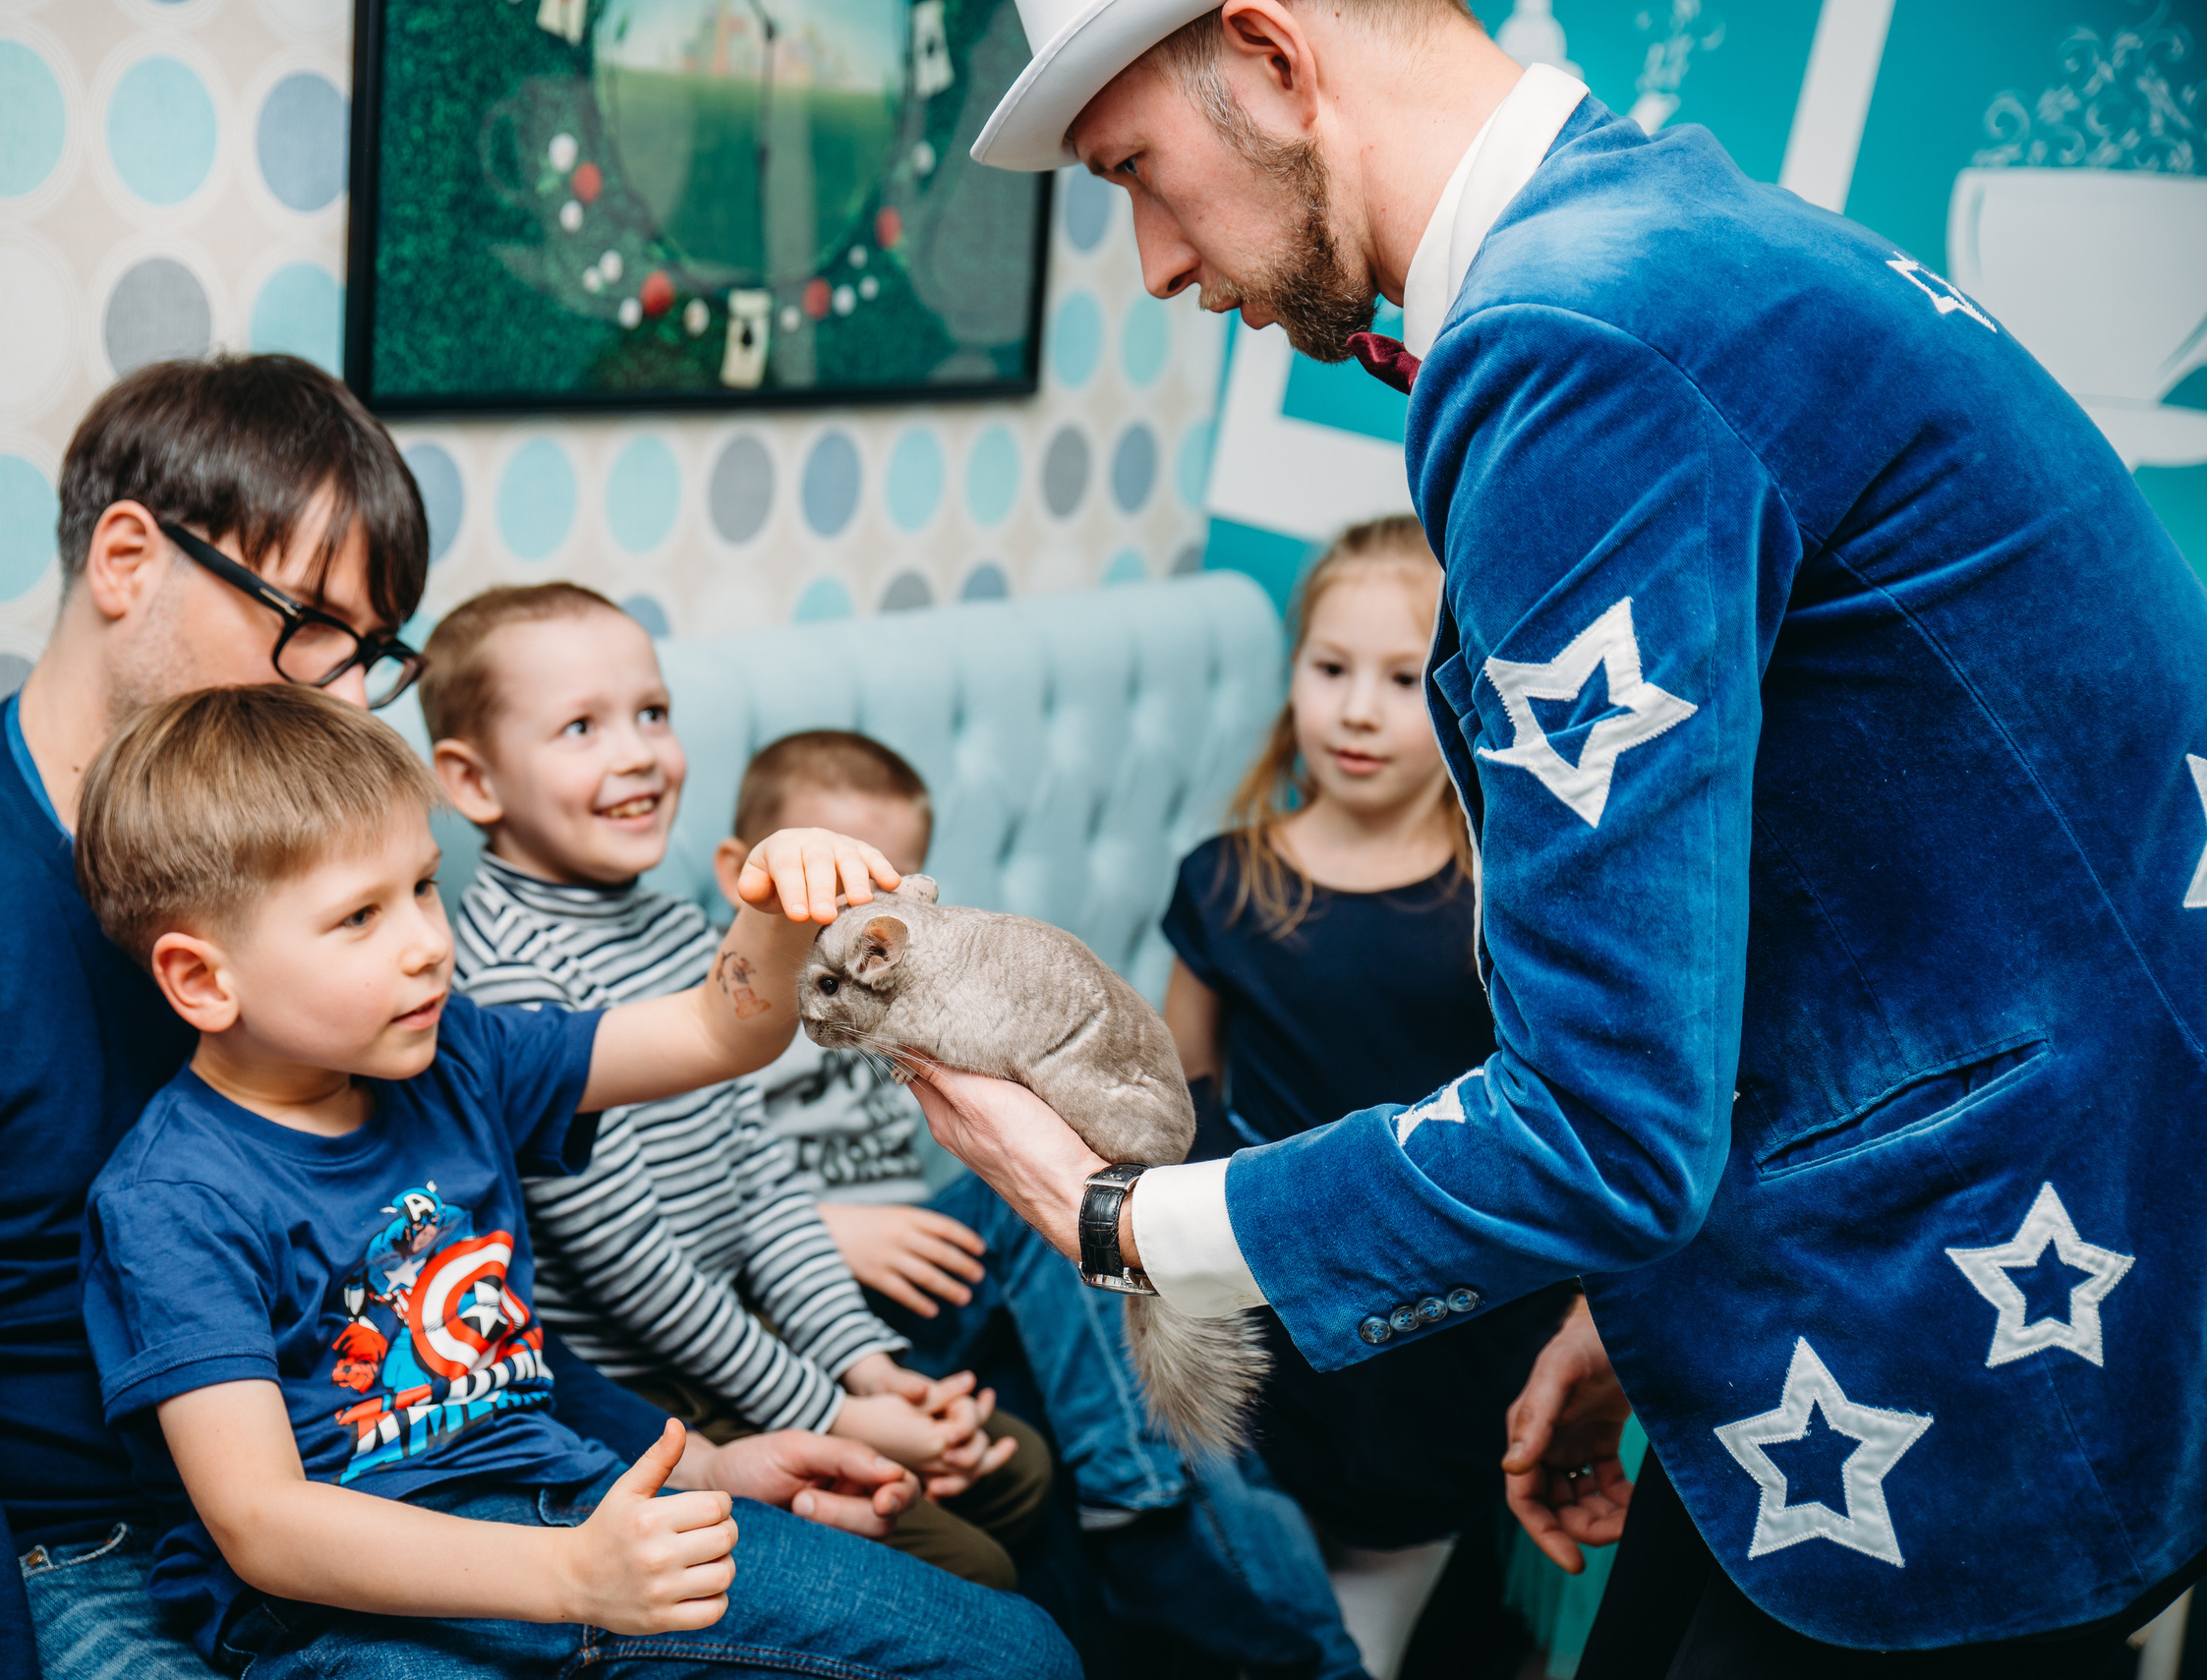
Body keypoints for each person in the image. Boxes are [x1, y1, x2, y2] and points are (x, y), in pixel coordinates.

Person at [913, 2, 2207, 1674]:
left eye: (1139, 174)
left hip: (1977, 1349)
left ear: (1273, 56)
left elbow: (1598, 1117)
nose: (1154, 260)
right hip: (2033, 1256)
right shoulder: (1680, 230)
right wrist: (1642, 1291)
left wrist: (1118, 1218)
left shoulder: (1573, 337)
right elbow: (1873, 894)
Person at [0, 355, 992, 1680]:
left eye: (373, 648)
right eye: (307, 620)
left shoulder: (347, 897)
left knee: (988, 1622)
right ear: (128, 558)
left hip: (435, 1483)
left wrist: (679, 1455)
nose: (348, 693)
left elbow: (429, 1270)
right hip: (105, 1552)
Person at [70, 681, 1075, 1680]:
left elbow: (712, 1031)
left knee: (1025, 1652)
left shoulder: (459, 1054)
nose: (428, 942)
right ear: (203, 978)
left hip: (579, 1507)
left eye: (421, 887)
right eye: (358, 917)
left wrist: (772, 907)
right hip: (343, 1610)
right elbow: (264, 1522)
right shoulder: (173, 1196)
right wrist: (565, 1574)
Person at [419, 583, 1053, 1591]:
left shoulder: (682, 929)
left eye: (652, 713)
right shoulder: (510, 981)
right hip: (643, 1390)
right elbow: (629, 1267)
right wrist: (831, 1411)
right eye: (581, 726)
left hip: (747, 1332)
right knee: (976, 1557)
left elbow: (760, 1180)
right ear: (474, 779)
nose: (636, 752)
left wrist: (859, 1359)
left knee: (1019, 1467)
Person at [718, 728, 1376, 1680]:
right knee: (1088, 1241)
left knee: (1106, 1284)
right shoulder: (724, 1013)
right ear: (748, 871)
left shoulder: (909, 991)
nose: (861, 928)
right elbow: (671, 1215)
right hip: (813, 1295)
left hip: (937, 1270)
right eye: (829, 891)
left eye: (883, 892)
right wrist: (821, 1226)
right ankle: (1153, 1526)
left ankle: (1230, 1584)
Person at [1160, 520, 1569, 1678]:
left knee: (1384, 1585)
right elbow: (1177, 1084)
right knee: (1276, 1553)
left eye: (1401, 678)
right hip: (1269, 1288)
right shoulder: (1226, 877)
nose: (1355, 710)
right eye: (1328, 668)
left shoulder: (1499, 888)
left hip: (1450, 1303)